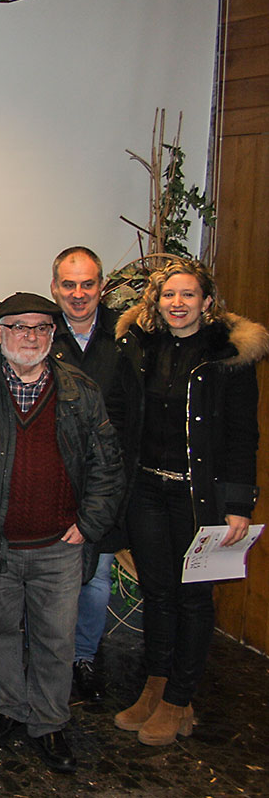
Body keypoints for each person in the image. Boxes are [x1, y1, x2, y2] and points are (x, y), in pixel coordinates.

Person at [0, 292, 124, 774]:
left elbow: (107, 465)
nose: (30, 337)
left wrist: (88, 524)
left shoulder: (80, 389)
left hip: (59, 543)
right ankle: (10, 710)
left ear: (53, 335)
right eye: (19, 327)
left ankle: (49, 722)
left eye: (40, 328)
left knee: (55, 639)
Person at [111, 259, 266, 745]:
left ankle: (179, 700)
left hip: (199, 497)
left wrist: (238, 504)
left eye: (188, 295)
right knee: (157, 592)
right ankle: (155, 687)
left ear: (207, 301)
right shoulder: (141, 346)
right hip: (146, 491)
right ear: (156, 302)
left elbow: (243, 435)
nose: (177, 303)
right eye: (168, 295)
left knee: (193, 597)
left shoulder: (227, 356)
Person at [48, 246, 126, 702]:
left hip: (103, 482)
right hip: (49, 482)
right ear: (54, 286)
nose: (78, 294)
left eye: (87, 284)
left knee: (96, 580)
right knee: (44, 579)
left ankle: (84, 657)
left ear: (102, 287)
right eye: (69, 284)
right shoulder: (39, 331)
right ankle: (46, 659)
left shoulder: (126, 337)